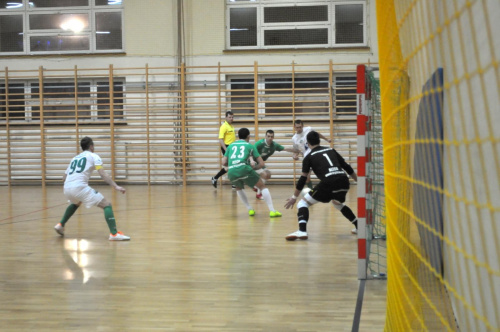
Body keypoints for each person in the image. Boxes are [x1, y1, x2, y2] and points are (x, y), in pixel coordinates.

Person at [284, 131, 358, 241]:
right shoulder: (331, 150)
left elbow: (303, 179)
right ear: (319, 140)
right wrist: (359, 182)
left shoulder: (308, 157)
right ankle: (359, 225)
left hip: (328, 182)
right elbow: (347, 167)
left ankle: (302, 231)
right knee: (337, 203)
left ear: (307, 143)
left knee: (302, 203)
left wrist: (294, 198)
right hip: (344, 181)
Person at [54, 137, 130, 241]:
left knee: (76, 203)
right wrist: (115, 186)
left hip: (66, 188)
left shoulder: (75, 158)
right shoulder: (94, 156)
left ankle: (60, 225)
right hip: (79, 187)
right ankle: (114, 234)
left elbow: (64, 178)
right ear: (91, 146)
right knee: (106, 205)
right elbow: (102, 173)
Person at [222, 128, 282, 218]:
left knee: (238, 188)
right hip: (244, 168)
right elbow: (261, 164)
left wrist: (233, 164)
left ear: (238, 136)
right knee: (262, 186)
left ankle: (250, 209)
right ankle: (272, 211)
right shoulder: (250, 146)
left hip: (231, 171)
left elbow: (223, 163)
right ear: (248, 136)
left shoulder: (230, 146)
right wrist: (253, 168)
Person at [252, 129, 299, 199]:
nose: (270, 138)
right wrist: (251, 161)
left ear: (273, 137)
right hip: (253, 162)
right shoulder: (259, 144)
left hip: (261, 163)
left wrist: (297, 151)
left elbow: (285, 149)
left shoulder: (274, 145)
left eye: (271, 137)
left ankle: (256, 187)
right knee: (265, 174)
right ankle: (258, 192)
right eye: (268, 136)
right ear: (265, 136)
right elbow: (251, 151)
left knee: (267, 175)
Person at [291, 119, 331, 189]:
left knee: (324, 172)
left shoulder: (308, 129)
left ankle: (329, 188)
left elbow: (317, 134)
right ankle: (311, 192)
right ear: (294, 127)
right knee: (307, 178)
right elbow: (296, 150)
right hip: (307, 158)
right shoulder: (294, 138)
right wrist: (294, 156)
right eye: (297, 127)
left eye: (300, 127)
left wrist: (326, 139)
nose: (299, 129)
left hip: (316, 155)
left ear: (302, 126)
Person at [211, 111, 236, 188]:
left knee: (230, 166)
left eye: (232, 117)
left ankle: (215, 178)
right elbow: (221, 139)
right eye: (229, 117)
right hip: (227, 147)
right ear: (226, 117)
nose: (231, 119)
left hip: (232, 147)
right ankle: (233, 183)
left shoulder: (231, 126)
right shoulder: (224, 126)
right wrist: (226, 149)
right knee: (232, 165)